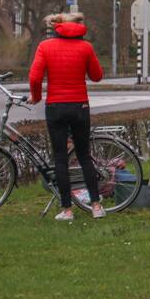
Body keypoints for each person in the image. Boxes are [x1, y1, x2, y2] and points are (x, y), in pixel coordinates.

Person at [28, 12, 106, 220]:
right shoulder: (86, 47)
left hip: (56, 107)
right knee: (84, 155)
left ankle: (67, 210)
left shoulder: (45, 46)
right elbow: (97, 76)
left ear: (57, 27)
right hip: (80, 106)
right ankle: (96, 207)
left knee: (61, 158)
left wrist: (36, 97)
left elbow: (35, 77)